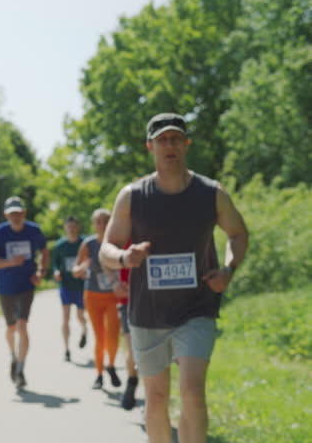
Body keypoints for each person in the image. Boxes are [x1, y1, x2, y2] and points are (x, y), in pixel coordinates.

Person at [100, 113, 248, 443]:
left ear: (186, 144)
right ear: (150, 146)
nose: (170, 145)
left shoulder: (211, 193)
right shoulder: (132, 196)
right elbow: (105, 249)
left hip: (196, 309)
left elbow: (238, 234)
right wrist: (125, 257)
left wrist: (228, 269)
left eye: (176, 138)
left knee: (193, 392)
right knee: (156, 397)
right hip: (147, 313)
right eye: (163, 140)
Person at [0, 196, 48, 389]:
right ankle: (13, 355)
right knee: (11, 328)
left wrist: (40, 272)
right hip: (6, 287)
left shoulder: (34, 230)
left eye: (18, 212)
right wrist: (11, 262)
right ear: (6, 215)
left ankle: (20, 369)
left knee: (22, 326)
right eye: (11, 213)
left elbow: (45, 252)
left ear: (24, 212)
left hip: (26, 285)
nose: (15, 216)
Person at [72, 209, 121, 390]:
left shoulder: (117, 242)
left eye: (106, 221)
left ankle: (112, 365)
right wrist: (82, 267)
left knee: (113, 335)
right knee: (100, 337)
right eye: (98, 221)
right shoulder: (88, 244)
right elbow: (75, 270)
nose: (102, 225)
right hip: (92, 295)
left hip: (113, 296)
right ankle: (99, 374)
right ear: (94, 224)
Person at [51, 215, 88, 362]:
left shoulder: (84, 243)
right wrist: (56, 272)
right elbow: (55, 263)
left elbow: (90, 261)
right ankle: (66, 349)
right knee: (65, 317)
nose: (71, 229)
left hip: (80, 286)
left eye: (74, 226)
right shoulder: (60, 246)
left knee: (80, 315)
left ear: (77, 227)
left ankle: (84, 331)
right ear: (65, 228)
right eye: (68, 227)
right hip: (66, 286)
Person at [114, 248, 139, 410]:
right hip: (128, 303)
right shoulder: (121, 232)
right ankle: (132, 382)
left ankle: (154, 396)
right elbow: (105, 258)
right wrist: (114, 282)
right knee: (132, 350)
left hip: (156, 302)